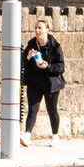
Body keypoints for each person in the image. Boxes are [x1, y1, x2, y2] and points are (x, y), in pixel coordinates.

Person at [20, 17, 65, 147]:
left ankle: (55, 135)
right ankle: (27, 135)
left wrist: (47, 66)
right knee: (33, 109)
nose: (37, 30)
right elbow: (23, 63)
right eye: (36, 28)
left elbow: (61, 67)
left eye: (40, 28)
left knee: (52, 110)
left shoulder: (55, 46)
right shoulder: (32, 44)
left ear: (47, 30)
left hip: (51, 83)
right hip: (35, 81)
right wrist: (27, 58)